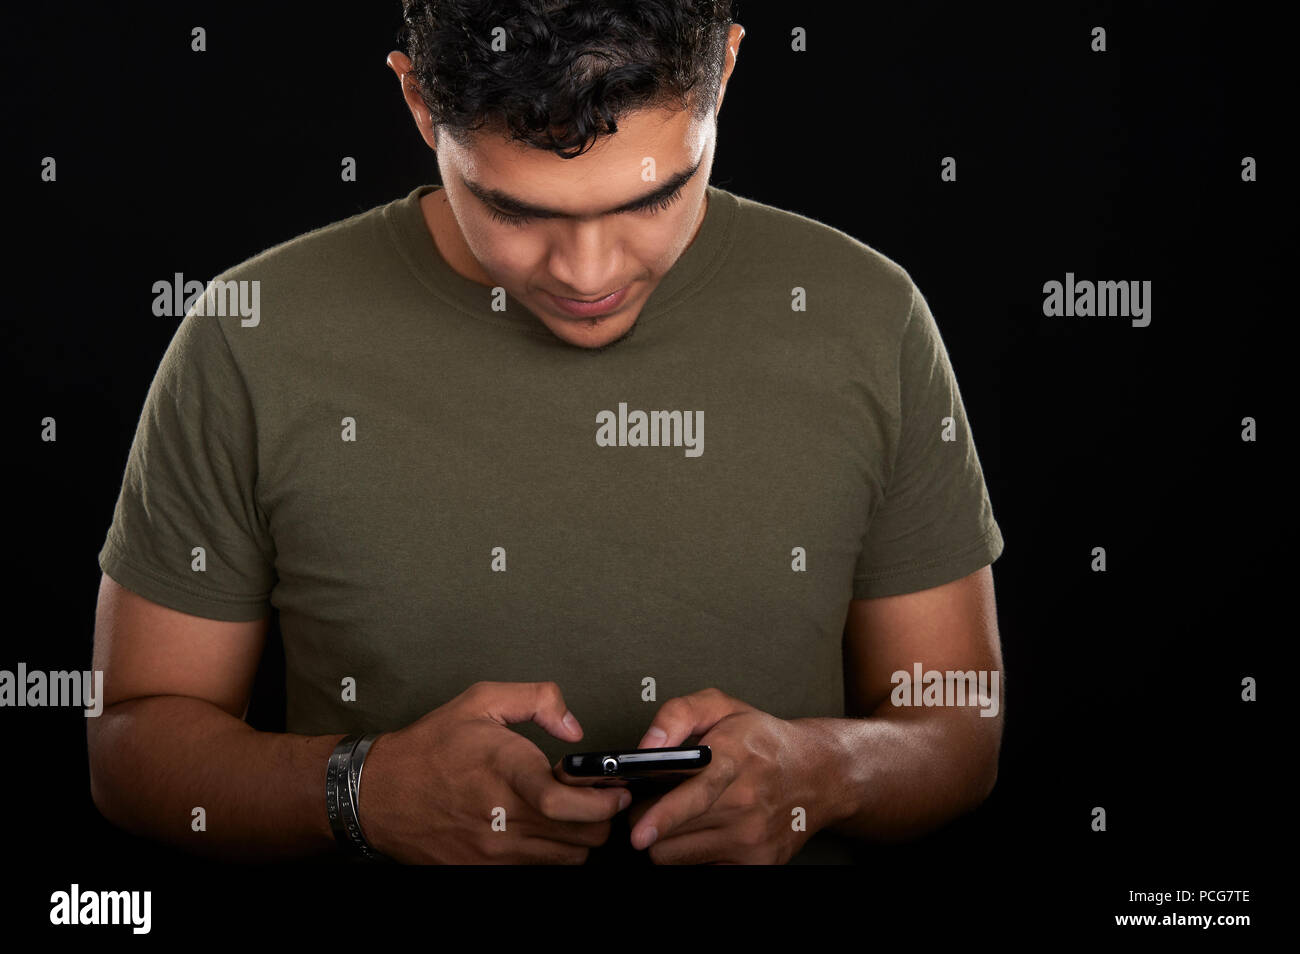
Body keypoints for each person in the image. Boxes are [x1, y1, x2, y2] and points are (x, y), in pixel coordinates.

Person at [89, 0, 1006, 865]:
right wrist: (361, 794)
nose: (588, 272)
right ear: (416, 102)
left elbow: (960, 726)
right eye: (518, 210)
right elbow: (133, 744)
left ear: (724, 72)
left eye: (652, 199)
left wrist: (821, 775)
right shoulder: (251, 332)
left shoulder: (868, 316)